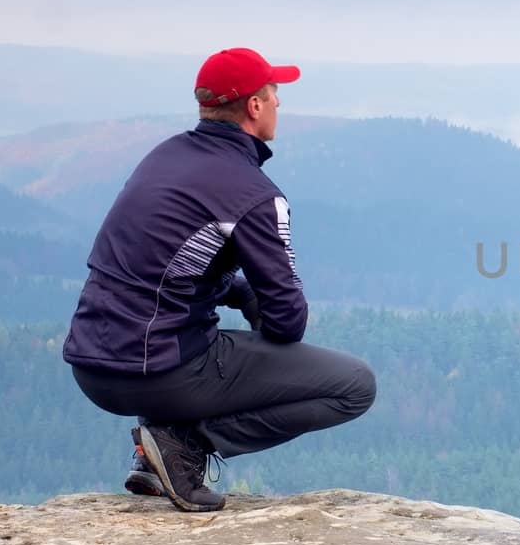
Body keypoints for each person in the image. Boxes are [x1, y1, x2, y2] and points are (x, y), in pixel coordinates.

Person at [63, 46, 376, 513]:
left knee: (204, 337)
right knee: (355, 385)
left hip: (92, 367)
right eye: (273, 93)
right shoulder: (254, 195)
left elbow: (156, 264)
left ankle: (158, 452)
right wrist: (258, 310)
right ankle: (183, 444)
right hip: (159, 372)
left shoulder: (163, 157)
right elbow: (289, 323)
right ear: (254, 106)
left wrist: (238, 291)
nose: (279, 103)